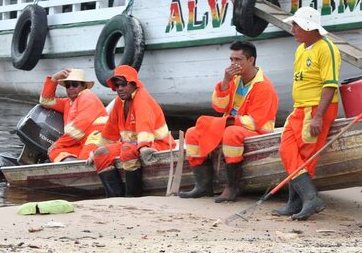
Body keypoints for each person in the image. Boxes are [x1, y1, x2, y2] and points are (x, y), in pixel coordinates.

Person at [179, 41, 279, 202]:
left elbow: (255, 122)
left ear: (251, 60)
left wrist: (227, 123)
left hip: (257, 131)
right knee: (192, 133)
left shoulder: (264, 87)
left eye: (238, 60)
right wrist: (225, 82)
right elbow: (219, 107)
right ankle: (203, 186)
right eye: (231, 60)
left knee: (231, 133)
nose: (233, 64)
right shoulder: (233, 80)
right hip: (232, 124)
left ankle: (232, 188)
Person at [274, 7, 341, 221]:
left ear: (308, 27)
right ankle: (307, 198)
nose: (292, 29)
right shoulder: (301, 49)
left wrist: (319, 116)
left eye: (296, 25)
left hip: (315, 109)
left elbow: (330, 84)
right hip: (300, 108)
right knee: (287, 148)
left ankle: (303, 201)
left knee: (305, 156)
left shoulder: (326, 48)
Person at [90, 65, 175, 198]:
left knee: (127, 150)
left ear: (133, 83)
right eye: (117, 86)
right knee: (101, 154)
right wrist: (95, 149)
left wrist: (144, 146)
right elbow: (110, 130)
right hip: (132, 144)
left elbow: (144, 125)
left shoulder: (142, 99)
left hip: (156, 144)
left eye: (123, 84)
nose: (120, 88)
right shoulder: (120, 101)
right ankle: (114, 197)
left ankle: (133, 196)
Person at [39, 69, 107, 163]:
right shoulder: (67, 103)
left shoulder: (88, 97)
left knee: (85, 158)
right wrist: (54, 78)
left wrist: (58, 143)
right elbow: (45, 101)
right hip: (81, 143)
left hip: (98, 138)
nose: (70, 88)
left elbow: (79, 128)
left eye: (75, 84)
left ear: (84, 86)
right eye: (68, 85)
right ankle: (71, 170)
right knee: (54, 152)